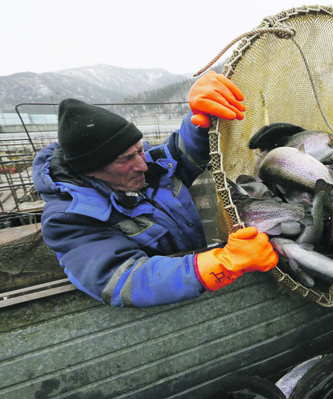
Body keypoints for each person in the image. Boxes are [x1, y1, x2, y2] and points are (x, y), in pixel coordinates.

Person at [32, 71, 279, 308]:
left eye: (139, 150)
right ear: (91, 170)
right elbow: (121, 280)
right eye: (125, 159)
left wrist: (200, 120)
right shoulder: (67, 219)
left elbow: (180, 154)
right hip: (170, 305)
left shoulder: (146, 167)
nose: (143, 164)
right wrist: (221, 266)